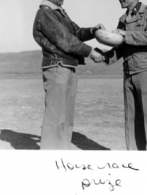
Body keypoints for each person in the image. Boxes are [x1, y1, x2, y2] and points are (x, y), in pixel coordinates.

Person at [94, 0, 147, 150]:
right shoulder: (123, 20)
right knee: (131, 119)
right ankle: (134, 160)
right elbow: (121, 48)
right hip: (129, 72)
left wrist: (126, 34)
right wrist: (103, 57)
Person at [33, 0, 105, 149]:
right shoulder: (46, 13)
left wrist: (92, 31)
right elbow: (66, 40)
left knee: (66, 119)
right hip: (57, 67)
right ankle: (50, 162)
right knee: (55, 118)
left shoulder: (58, 12)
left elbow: (76, 33)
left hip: (68, 66)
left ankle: (62, 157)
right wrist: (90, 52)